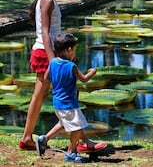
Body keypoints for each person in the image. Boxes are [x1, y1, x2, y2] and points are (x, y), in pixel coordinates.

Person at [19, 0, 103, 153]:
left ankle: (80, 140)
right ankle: (29, 138)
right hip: (46, 54)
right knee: (46, 96)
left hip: (51, 53)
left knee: (66, 94)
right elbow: (46, 32)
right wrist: (54, 61)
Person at [37, 33, 107, 163]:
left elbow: (46, 78)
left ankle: (43, 139)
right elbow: (84, 79)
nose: (75, 53)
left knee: (63, 124)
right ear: (69, 50)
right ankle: (70, 152)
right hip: (69, 104)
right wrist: (93, 71)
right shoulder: (71, 66)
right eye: (74, 50)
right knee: (77, 127)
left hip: (58, 102)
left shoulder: (53, 62)